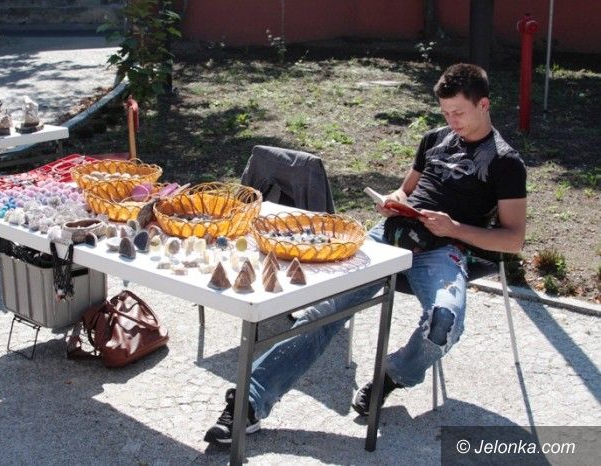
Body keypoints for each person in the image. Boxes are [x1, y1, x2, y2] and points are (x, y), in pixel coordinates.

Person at [204, 63, 527, 445]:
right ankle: (249, 403)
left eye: (458, 112)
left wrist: (454, 228)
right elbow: (407, 190)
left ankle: (391, 376)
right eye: (445, 113)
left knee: (444, 322)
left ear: (484, 104)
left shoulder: (505, 162)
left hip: (444, 250)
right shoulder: (434, 139)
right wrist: (393, 199)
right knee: (322, 311)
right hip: (390, 235)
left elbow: (513, 239)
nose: (451, 121)